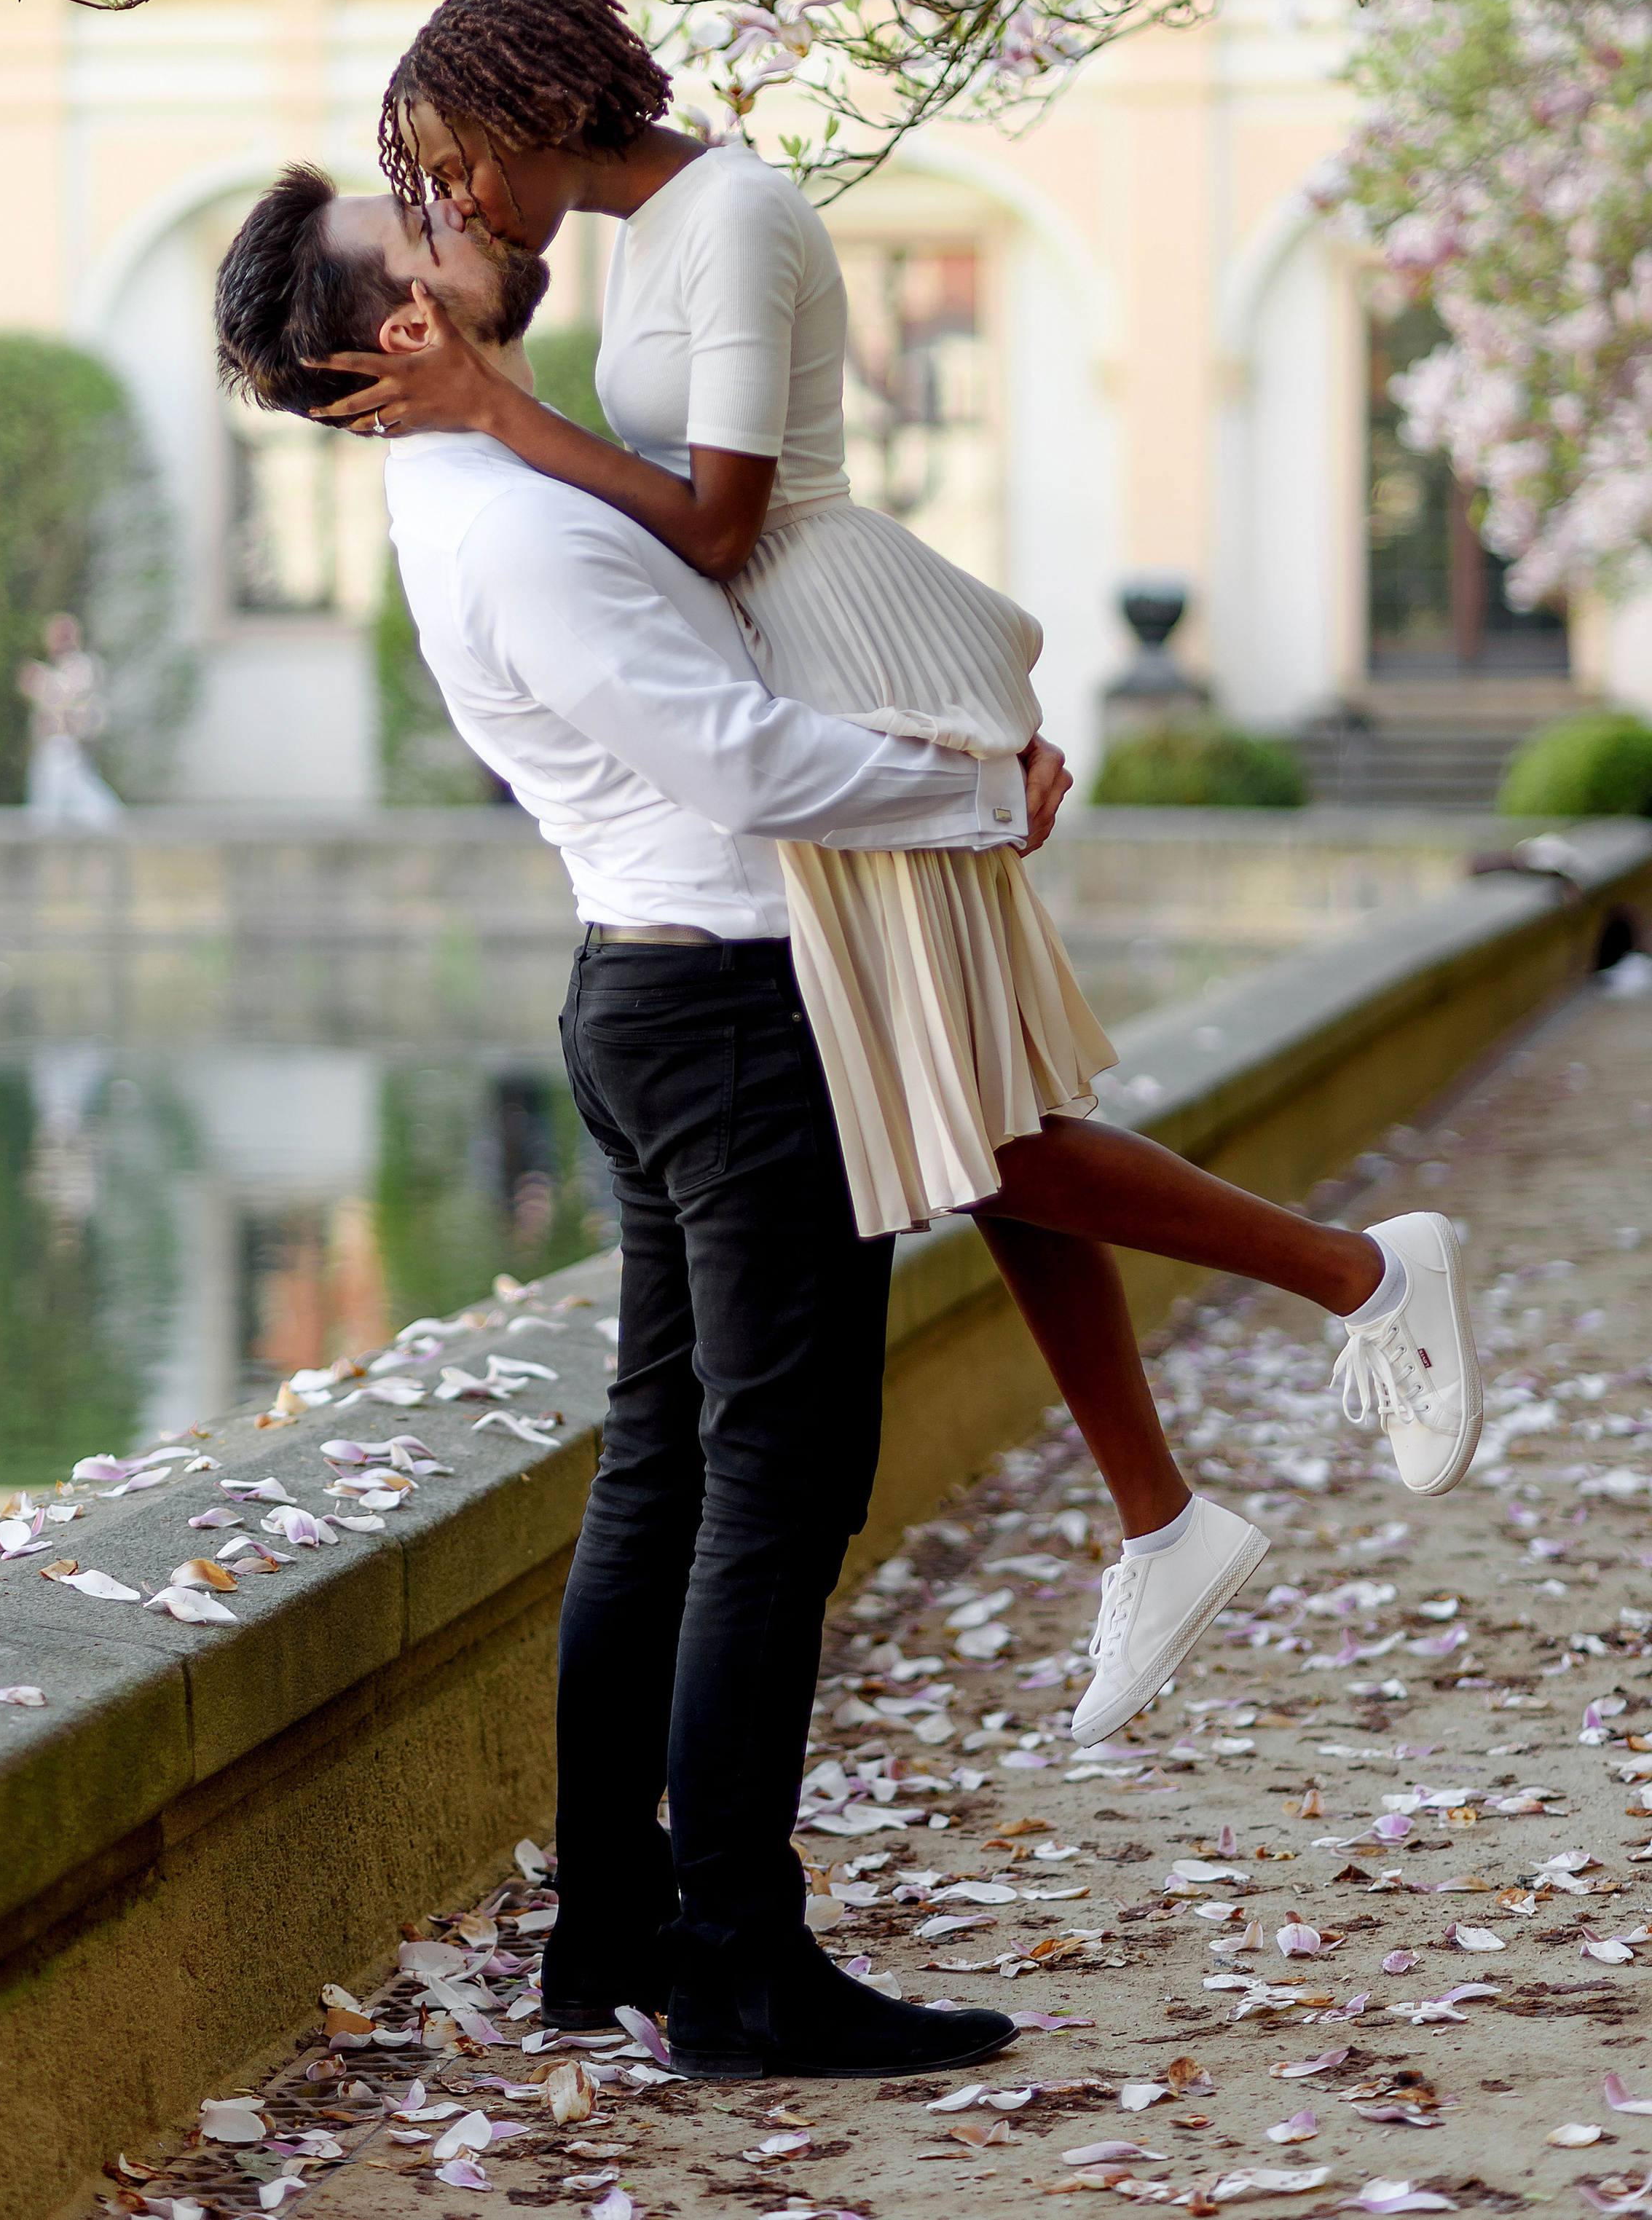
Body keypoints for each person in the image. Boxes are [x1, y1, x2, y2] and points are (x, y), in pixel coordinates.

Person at [305, 0, 1483, 1752]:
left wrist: (489, 410)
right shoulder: (645, 239)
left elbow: (720, 521)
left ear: (538, 104)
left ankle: (1361, 1280)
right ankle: (1163, 1511)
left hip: (848, 657)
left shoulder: (736, 211)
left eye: (457, 158)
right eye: (431, 184)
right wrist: (486, 422)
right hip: (808, 667)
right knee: (973, 1118)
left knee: (973, 1122)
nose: (456, 198)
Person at [215, 166, 1029, 2082]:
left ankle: (613, 1926)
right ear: (405, 323)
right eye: (416, 217)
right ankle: (735, 1964)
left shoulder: (500, 481)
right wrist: (983, 788)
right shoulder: (516, 529)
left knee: (667, 1475)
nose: (457, 206)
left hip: (666, 997)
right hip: (731, 1015)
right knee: (776, 1489)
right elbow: (735, 758)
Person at [19, 613, 122, 826]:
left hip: (67, 750)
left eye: (66, 635)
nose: (61, 641)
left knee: (95, 813)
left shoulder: (82, 666)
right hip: (50, 751)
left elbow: (70, 701)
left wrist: (41, 682)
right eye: (57, 636)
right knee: (46, 813)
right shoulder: (53, 668)